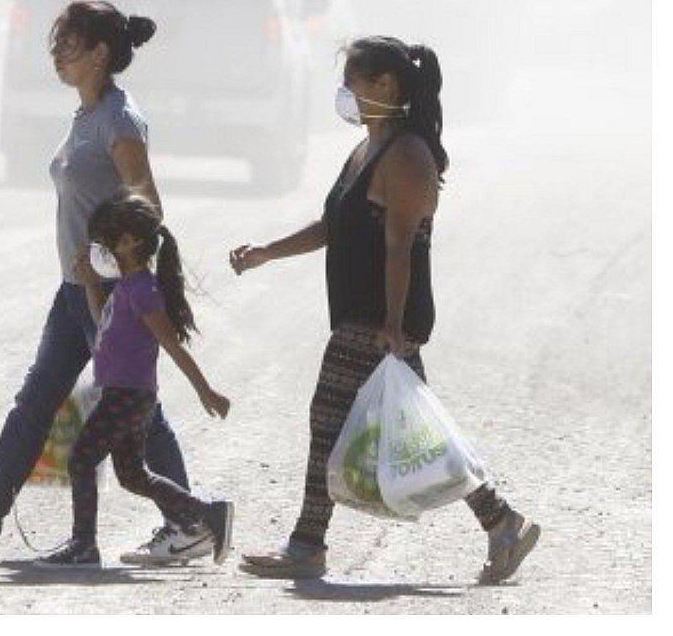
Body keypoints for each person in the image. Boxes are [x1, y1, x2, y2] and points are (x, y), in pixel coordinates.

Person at [0, 1, 216, 565]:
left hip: (106, 293)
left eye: (69, 44)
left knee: (131, 405)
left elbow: (149, 205)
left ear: (101, 52)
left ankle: (189, 521)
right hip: (75, 289)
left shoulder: (120, 122)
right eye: (57, 43)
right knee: (38, 400)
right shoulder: (87, 115)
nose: (58, 54)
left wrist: (106, 263)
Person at [228, 36, 540, 584]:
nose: (346, 95)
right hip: (367, 312)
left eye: (353, 84)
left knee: (328, 417)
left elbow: (400, 245)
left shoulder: (408, 155)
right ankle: (502, 522)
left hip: (380, 316)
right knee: (421, 430)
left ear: (385, 86)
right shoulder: (367, 148)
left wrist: (393, 324)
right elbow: (335, 226)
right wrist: (266, 253)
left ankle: (306, 544)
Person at [34, 192, 234, 567]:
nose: (102, 250)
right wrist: (92, 283)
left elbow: (172, 346)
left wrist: (206, 392)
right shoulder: (126, 288)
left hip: (127, 396)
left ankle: (83, 545)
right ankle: (209, 514)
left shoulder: (143, 290)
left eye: (108, 241)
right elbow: (102, 326)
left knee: (80, 459)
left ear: (131, 242)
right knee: (132, 475)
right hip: (123, 394)